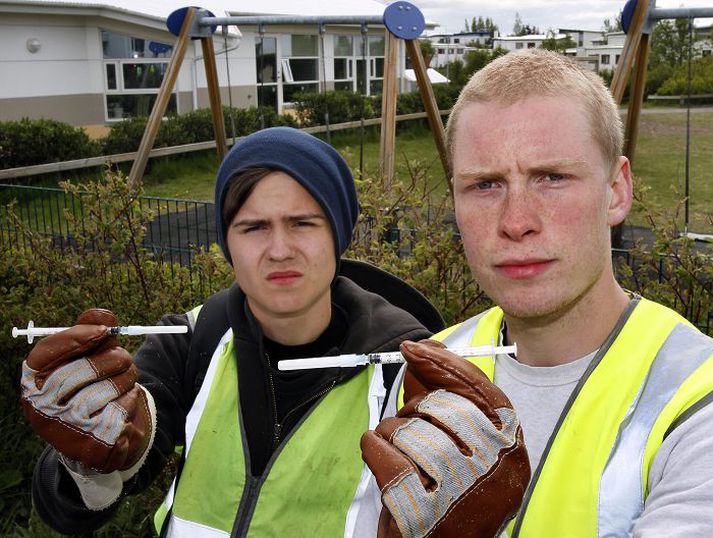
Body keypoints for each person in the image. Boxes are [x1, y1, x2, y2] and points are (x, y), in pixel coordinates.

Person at [20, 127, 530, 537]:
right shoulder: (195, 339)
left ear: (339, 233)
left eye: (304, 223)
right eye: (253, 227)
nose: (280, 249)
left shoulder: (407, 367)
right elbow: (75, 509)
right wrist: (90, 464)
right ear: (228, 242)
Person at [364, 48, 713, 536]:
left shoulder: (696, 399)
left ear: (616, 190)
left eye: (551, 178)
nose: (516, 222)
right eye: (485, 185)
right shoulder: (428, 371)